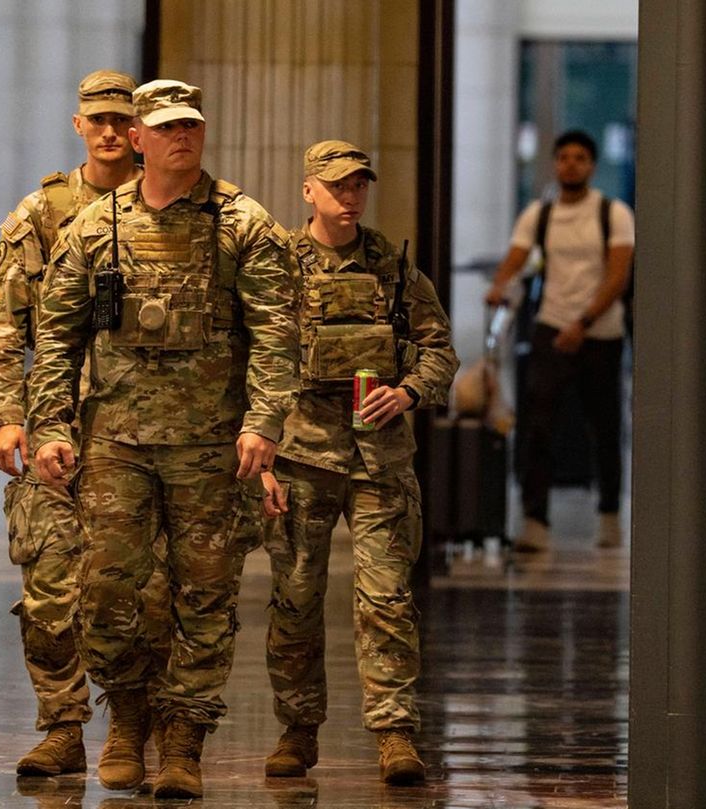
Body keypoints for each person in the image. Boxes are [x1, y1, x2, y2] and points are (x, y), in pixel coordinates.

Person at [29, 79, 299, 799]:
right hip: (116, 443)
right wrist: (51, 424)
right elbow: (55, 334)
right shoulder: (94, 228)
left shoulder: (241, 223)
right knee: (107, 589)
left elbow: (278, 331)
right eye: (167, 127)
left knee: (204, 596)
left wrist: (263, 421)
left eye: (192, 125)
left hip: (212, 447)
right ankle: (126, 718)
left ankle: (183, 740)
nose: (183, 136)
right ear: (140, 138)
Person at [258, 140, 458, 785]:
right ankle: (297, 730)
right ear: (308, 190)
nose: (350, 197)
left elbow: (439, 350)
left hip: (380, 462)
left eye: (359, 186)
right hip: (299, 455)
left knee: (388, 598)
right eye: (337, 185)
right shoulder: (277, 264)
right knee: (294, 599)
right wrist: (258, 452)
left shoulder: (394, 269)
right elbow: (251, 357)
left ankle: (395, 733)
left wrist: (408, 391)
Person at [0, 69, 150, 777]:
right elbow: (4, 327)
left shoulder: (169, 206)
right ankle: (61, 725)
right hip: (57, 426)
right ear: (77, 124)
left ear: (139, 128)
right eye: (98, 119)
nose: (111, 131)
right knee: (49, 584)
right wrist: (5, 415)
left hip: (147, 431)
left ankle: (131, 721)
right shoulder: (39, 214)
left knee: (137, 590)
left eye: (123, 119)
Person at [483, 130, 634, 552]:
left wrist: (583, 323)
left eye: (580, 158)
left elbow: (617, 276)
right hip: (551, 327)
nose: (571, 164)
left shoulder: (613, 213)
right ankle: (535, 521)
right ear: (554, 163)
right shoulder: (540, 214)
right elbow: (514, 259)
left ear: (592, 165)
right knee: (538, 427)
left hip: (601, 332)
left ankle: (608, 517)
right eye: (564, 157)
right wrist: (498, 287)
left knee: (604, 427)